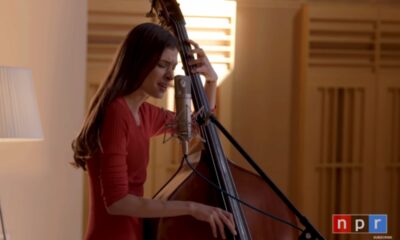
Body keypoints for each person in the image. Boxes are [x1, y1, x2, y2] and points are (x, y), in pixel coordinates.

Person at [71, 22, 237, 240]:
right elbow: (118, 203)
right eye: (162, 65)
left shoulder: (144, 113)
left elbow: (197, 127)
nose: (170, 76)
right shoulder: (116, 113)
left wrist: (211, 81)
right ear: (139, 63)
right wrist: (192, 207)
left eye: (173, 67)